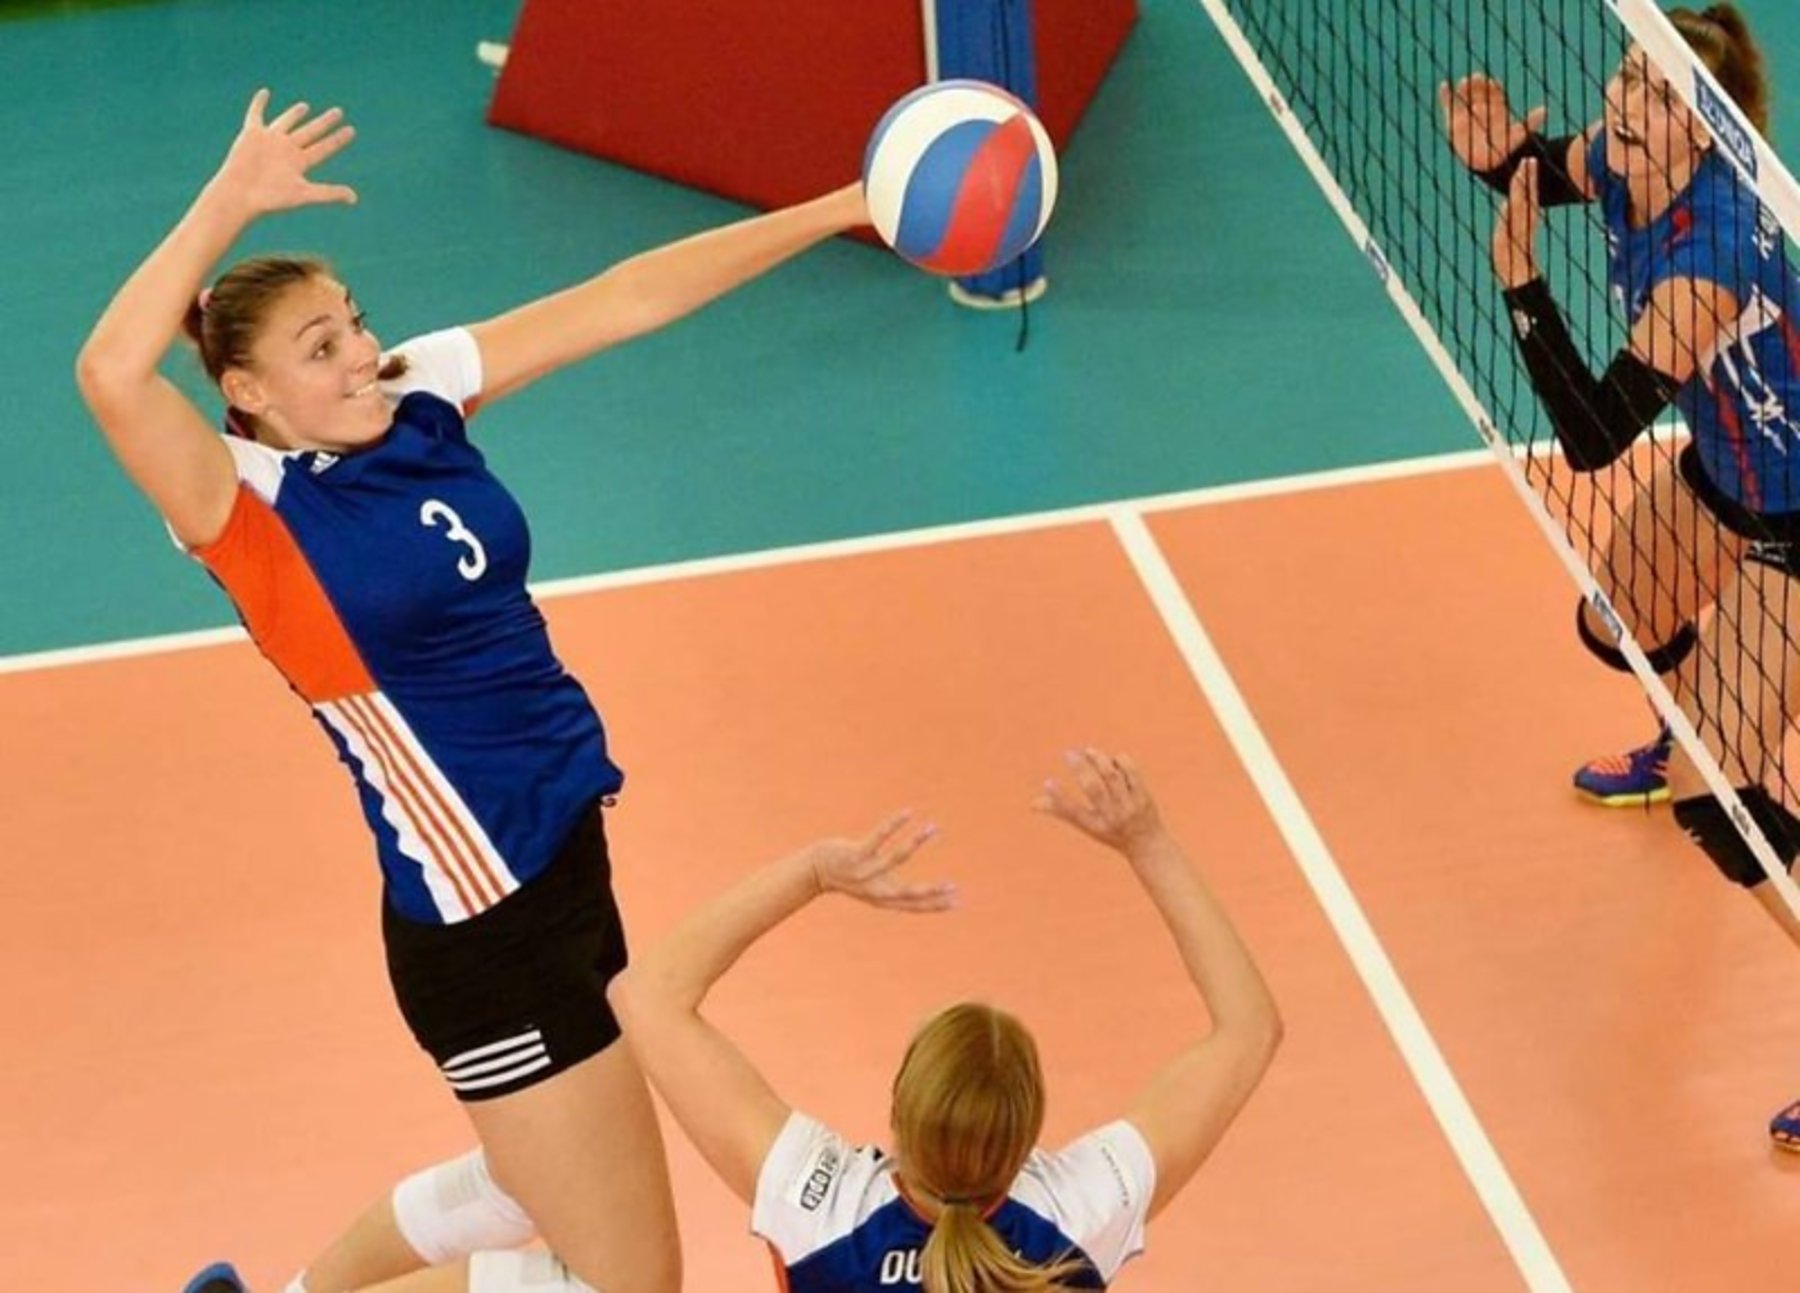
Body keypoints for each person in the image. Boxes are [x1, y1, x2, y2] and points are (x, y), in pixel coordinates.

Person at [75, 89, 872, 1293]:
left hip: (567, 858)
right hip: (483, 923)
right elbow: (108, 372)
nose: (361, 355)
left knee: (528, 1181)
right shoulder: (242, 510)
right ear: (248, 393)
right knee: (622, 1283)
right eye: (321, 349)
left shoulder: (418, 397)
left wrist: (841, 207)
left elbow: (627, 298)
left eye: (354, 322)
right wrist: (229, 202)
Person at [1441, 6, 1800, 1143]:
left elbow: (1595, 436)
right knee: (1619, 619)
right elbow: (1551, 169)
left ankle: (1719, 756)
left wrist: (1519, 283)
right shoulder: (1625, 156)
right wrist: (1499, 155)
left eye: (1657, 93)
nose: (1625, 103)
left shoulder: (1709, 259)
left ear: (1706, 132)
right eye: (1630, 77)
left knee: (1716, 804)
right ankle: (1702, 722)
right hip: (1733, 471)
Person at [607, 748, 1282, 1291]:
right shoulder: (1077, 1212)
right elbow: (1248, 1027)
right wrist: (1148, 843)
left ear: (898, 1106)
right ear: (1026, 1133)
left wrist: (813, 872)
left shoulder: (824, 1208)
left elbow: (650, 993)